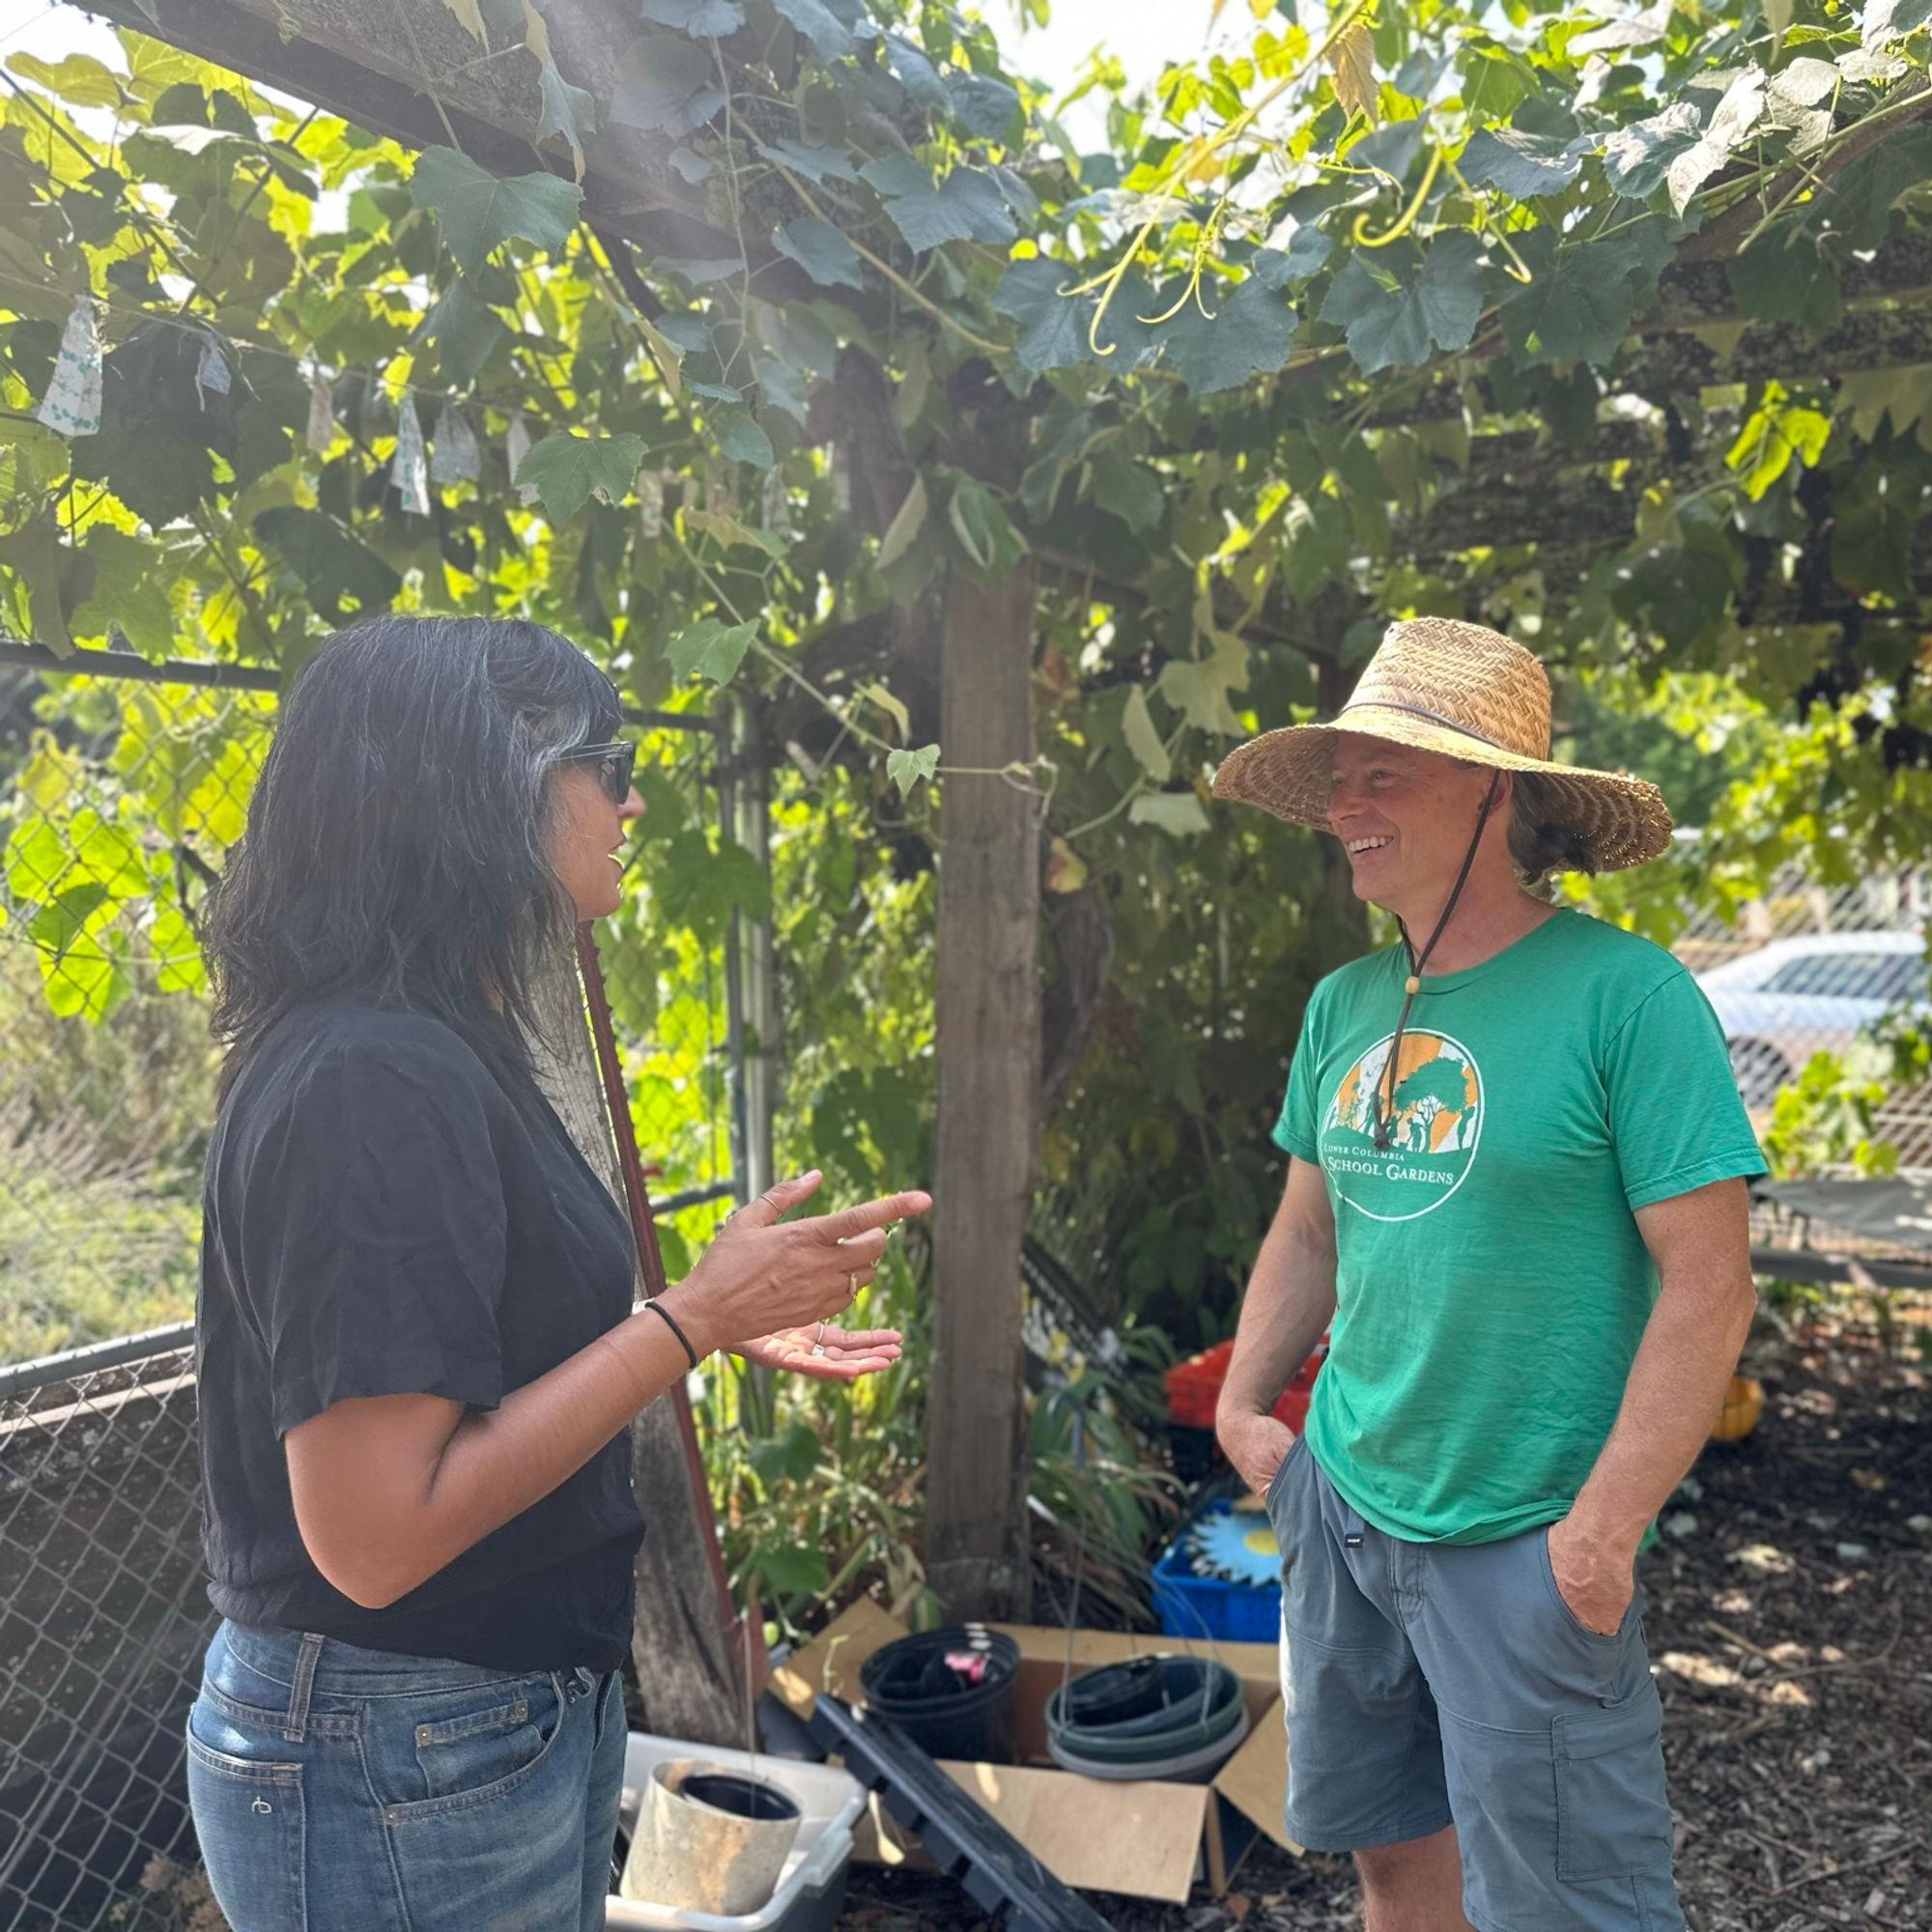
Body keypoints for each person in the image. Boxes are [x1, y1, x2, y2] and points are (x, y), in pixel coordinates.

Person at [186, 614, 928, 1932]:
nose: (632, 796)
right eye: (610, 759)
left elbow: (468, 1352)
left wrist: (703, 1316)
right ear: (495, 787)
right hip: (397, 1738)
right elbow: (375, 1538)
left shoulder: (427, 1041)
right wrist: (690, 1321)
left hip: (464, 1725)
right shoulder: (371, 1074)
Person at [1210, 617, 1765, 1932]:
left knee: (1573, 1909)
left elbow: (1710, 1284)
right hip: (1344, 1502)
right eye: (1338, 779)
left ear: (1493, 788)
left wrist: (1601, 1532)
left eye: (1382, 774)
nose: (1346, 806)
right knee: (1393, 1857)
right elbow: (1308, 1229)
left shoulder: (1627, 1000)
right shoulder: (1346, 1003)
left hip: (1522, 1533)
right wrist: (1248, 1410)